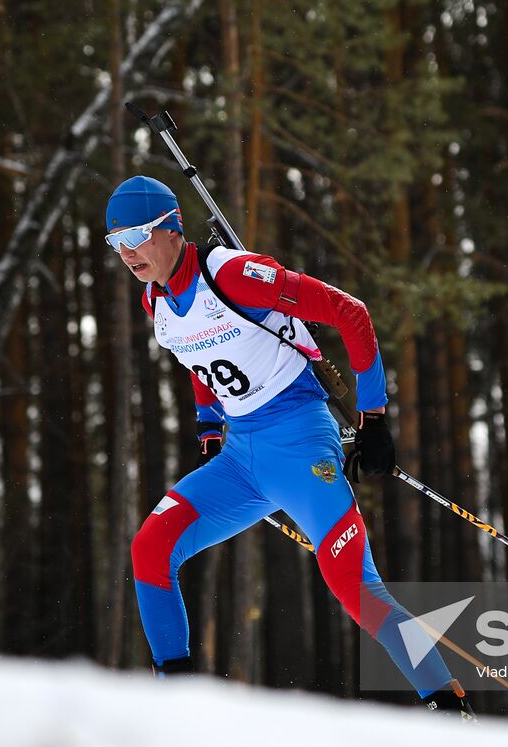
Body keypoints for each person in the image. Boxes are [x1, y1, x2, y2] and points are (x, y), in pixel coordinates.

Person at [107, 175, 473, 718]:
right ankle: (177, 708)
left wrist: (374, 419)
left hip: (301, 446)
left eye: (137, 235)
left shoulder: (231, 273)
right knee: (151, 550)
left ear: (172, 228)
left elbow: (352, 313)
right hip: (240, 460)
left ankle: (448, 706)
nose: (128, 251)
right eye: (116, 241)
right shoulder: (154, 300)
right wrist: (210, 426)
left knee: (356, 588)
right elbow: (197, 357)